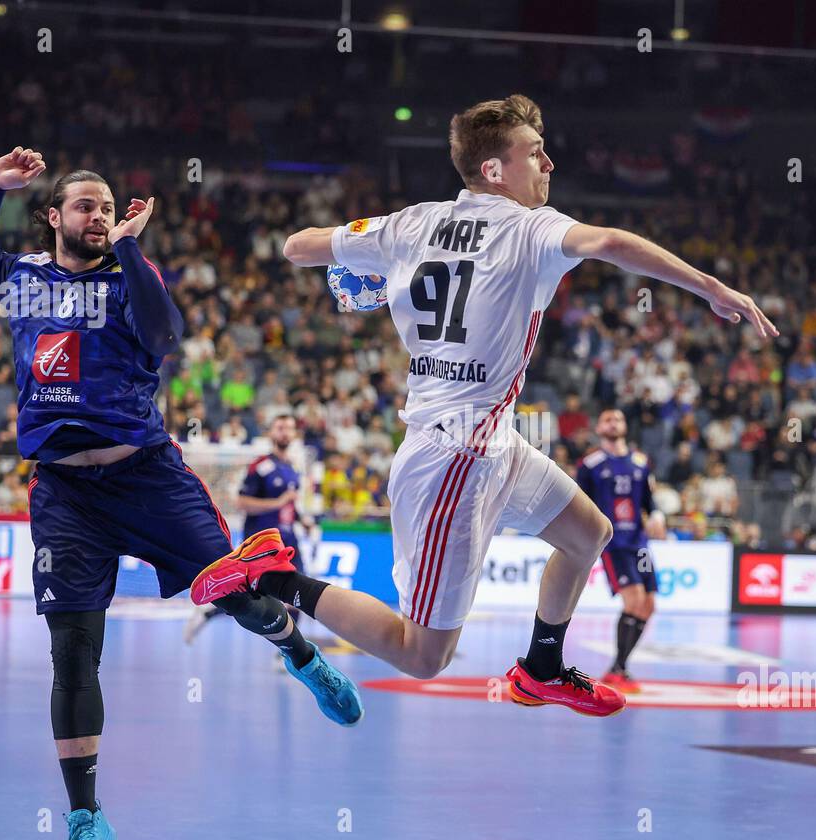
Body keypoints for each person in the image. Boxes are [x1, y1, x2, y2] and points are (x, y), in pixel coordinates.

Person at [194, 94, 776, 715]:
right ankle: (272, 576)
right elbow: (610, 240)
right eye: (535, 153)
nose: (548, 163)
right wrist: (710, 287)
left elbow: (296, 246)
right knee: (423, 655)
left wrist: (360, 265)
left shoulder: (410, 224)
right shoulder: (530, 228)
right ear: (495, 171)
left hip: (493, 439)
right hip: (455, 455)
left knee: (588, 533)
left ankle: (541, 667)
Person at [0, 148, 361, 840]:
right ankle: (86, 820)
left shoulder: (128, 275)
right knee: (73, 656)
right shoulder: (23, 281)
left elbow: (163, 336)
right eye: (85, 206)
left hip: (146, 475)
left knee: (238, 591)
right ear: (53, 217)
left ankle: (298, 650)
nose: (99, 216)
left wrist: (134, 250)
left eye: (108, 208)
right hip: (64, 492)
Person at [183, 414, 311, 661]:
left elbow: (289, 508)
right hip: (263, 542)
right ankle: (210, 612)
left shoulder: (293, 470)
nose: (285, 433)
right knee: (255, 599)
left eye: (289, 429)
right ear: (272, 433)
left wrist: (301, 519)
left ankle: (288, 655)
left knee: (297, 596)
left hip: (289, 541)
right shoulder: (260, 466)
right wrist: (278, 502)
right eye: (280, 427)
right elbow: (242, 502)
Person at [576, 409, 659, 693]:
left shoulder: (640, 461)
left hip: (640, 543)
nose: (614, 423)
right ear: (599, 428)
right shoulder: (590, 464)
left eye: (619, 419)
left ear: (625, 426)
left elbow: (649, 501)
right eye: (608, 420)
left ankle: (619, 667)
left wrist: (657, 515)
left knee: (648, 606)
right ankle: (618, 669)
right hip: (614, 543)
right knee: (633, 601)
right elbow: (580, 503)